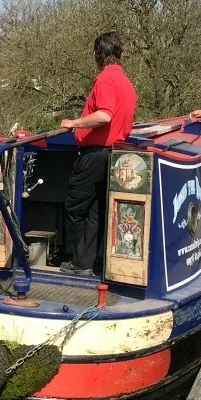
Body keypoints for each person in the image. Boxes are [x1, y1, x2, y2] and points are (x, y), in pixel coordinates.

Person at [58, 31, 138, 274]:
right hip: (115, 156)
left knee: (75, 208)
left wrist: (73, 123)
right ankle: (87, 262)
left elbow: (104, 115)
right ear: (120, 55)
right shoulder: (125, 82)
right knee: (95, 211)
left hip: (95, 156)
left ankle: (76, 260)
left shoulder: (105, 79)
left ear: (96, 55)